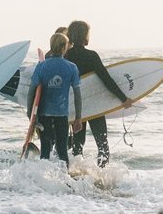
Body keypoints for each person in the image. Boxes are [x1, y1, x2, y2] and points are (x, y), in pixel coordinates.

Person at [65, 20, 132, 167]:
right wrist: (123, 99)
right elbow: (106, 79)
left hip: (76, 108)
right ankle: (101, 176)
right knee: (102, 144)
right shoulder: (91, 56)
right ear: (85, 36)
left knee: (78, 145)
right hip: (94, 105)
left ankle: (77, 176)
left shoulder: (66, 56)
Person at [30, 32, 82, 166]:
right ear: (65, 47)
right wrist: (78, 118)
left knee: (45, 150)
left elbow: (32, 92)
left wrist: (30, 113)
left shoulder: (41, 66)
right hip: (61, 115)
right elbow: (77, 94)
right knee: (62, 151)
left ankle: (40, 182)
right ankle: (65, 181)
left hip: (44, 115)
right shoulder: (72, 67)